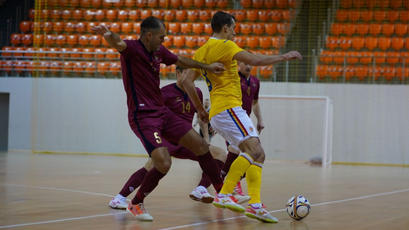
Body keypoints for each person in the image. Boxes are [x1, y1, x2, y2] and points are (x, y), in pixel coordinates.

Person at [91, 16, 226, 221]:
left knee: (202, 146)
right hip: (143, 117)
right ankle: (134, 202)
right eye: (161, 37)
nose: (164, 40)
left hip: (163, 114)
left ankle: (222, 192)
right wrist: (106, 33)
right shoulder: (132, 49)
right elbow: (117, 42)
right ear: (149, 35)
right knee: (162, 163)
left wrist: (207, 67)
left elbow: (181, 60)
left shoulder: (159, 52)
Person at [182, 11, 302, 223]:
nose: (235, 32)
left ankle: (255, 204)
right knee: (255, 150)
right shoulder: (226, 46)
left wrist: (200, 109)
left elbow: (186, 81)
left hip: (220, 112)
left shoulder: (201, 51)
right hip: (230, 109)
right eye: (234, 28)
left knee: (258, 154)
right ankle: (226, 192)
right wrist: (283, 57)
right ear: (226, 28)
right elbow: (255, 59)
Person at [108, 66, 226, 209]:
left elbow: (201, 119)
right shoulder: (165, 93)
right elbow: (153, 117)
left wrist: (206, 138)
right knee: (152, 165)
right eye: (187, 73)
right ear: (178, 73)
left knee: (219, 153)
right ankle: (119, 198)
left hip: (186, 141)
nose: (191, 78)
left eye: (194, 75)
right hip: (166, 139)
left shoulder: (197, 93)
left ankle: (201, 189)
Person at [221, 61, 264, 202]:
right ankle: (230, 189)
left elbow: (255, 103)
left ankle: (223, 180)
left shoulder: (255, 82)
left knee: (253, 155)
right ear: (238, 65)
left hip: (244, 122)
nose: (248, 66)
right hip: (231, 120)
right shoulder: (233, 78)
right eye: (245, 63)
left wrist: (260, 120)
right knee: (238, 151)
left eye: (250, 63)